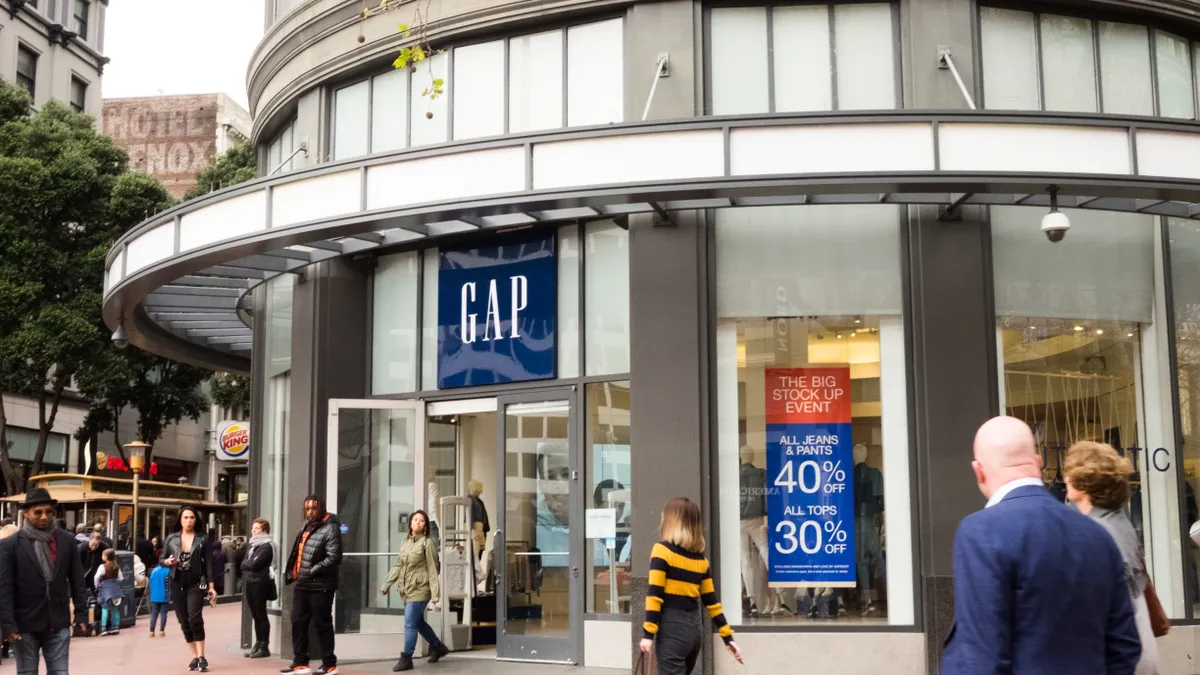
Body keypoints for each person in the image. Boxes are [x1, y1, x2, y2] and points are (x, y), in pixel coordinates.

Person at [941, 416, 1142, 675]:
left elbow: (980, 656)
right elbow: (1125, 646)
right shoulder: (1096, 534)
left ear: (978, 470)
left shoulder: (981, 531)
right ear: (1037, 462)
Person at [1065, 441, 1161, 675]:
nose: (1065, 478)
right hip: (1141, 646)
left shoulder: (1095, 531)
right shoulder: (1119, 522)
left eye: (1069, 473)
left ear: (1084, 480)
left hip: (1122, 655)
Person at [639, 497, 743, 675]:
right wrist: (728, 638)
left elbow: (654, 595)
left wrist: (648, 635)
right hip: (694, 634)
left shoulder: (662, 551)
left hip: (672, 631)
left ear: (670, 522)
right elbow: (712, 603)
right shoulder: (701, 560)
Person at [0, 487, 88, 675]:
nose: (44, 516)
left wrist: (81, 613)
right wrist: (8, 625)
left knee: (60, 673)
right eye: (38, 512)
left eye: (49, 512)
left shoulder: (67, 541)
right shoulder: (10, 545)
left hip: (58, 621)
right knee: (27, 673)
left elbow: (77, 580)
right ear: (26, 514)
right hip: (24, 626)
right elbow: (4, 588)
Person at [380, 510, 450, 672]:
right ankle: (438, 647)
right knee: (418, 622)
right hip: (407, 588)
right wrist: (387, 584)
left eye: (422, 521)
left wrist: (434, 593)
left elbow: (433, 569)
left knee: (410, 623)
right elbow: (399, 565)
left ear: (425, 526)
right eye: (415, 520)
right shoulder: (405, 542)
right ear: (410, 523)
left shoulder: (428, 543)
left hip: (421, 588)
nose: (418, 522)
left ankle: (407, 658)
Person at [282, 495, 343, 675]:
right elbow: (298, 552)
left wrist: (313, 570)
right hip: (302, 583)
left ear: (321, 508)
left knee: (321, 624)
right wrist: (293, 572)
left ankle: (329, 664)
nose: (310, 512)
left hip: (321, 585)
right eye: (307, 509)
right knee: (298, 621)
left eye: (313, 508)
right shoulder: (306, 526)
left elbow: (334, 557)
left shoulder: (331, 528)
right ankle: (300, 662)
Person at [162, 506, 218, 673]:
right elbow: (161, 558)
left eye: (192, 517)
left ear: (196, 520)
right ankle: (194, 656)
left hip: (196, 582)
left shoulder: (203, 538)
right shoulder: (171, 538)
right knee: (183, 620)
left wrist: (211, 587)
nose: (189, 520)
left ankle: (202, 656)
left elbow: (208, 564)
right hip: (176, 581)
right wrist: (167, 562)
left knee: (194, 617)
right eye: (186, 517)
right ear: (180, 519)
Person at [242, 518, 277, 659]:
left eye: (257, 528)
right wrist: (248, 563)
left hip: (260, 583)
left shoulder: (267, 546)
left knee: (261, 614)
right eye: (253, 528)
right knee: (255, 615)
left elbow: (254, 565)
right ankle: (258, 643)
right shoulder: (253, 546)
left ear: (264, 531)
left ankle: (264, 646)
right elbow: (243, 563)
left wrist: (248, 563)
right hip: (250, 582)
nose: (253, 530)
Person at [93, 549, 124, 636]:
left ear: (106, 557)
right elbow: (121, 578)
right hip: (116, 590)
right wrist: (115, 583)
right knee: (115, 609)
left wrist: (98, 585)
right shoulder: (116, 566)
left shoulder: (102, 567)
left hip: (105, 589)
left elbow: (96, 577)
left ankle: (103, 628)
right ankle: (116, 627)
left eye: (103, 555)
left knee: (105, 608)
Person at [149, 559, 171, 638]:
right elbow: (169, 583)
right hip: (164, 595)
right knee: (163, 614)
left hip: (154, 596)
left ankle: (152, 631)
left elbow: (150, 583)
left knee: (154, 614)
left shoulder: (154, 571)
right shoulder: (168, 571)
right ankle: (162, 631)